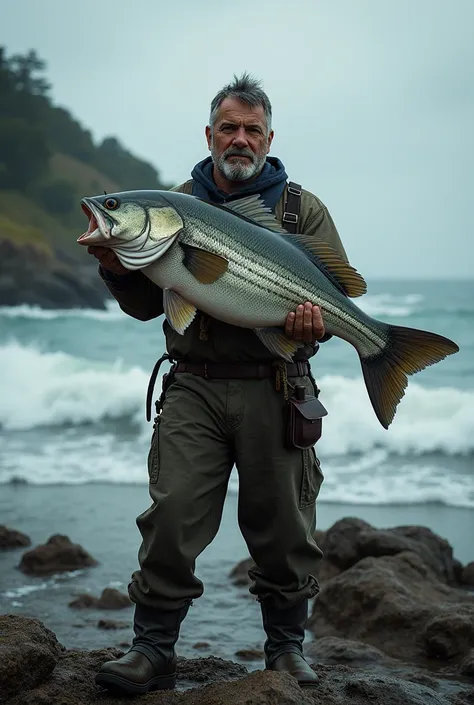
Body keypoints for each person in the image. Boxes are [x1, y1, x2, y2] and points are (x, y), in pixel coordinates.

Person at [92, 73, 350, 695]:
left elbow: (335, 299)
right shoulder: (174, 205)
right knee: (173, 514)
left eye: (252, 130)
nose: (240, 140)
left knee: (286, 526)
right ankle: (152, 648)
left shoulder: (301, 210)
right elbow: (147, 306)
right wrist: (114, 262)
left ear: (269, 138)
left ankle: (286, 650)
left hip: (277, 386)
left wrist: (312, 328)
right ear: (208, 135)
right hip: (195, 386)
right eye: (228, 128)